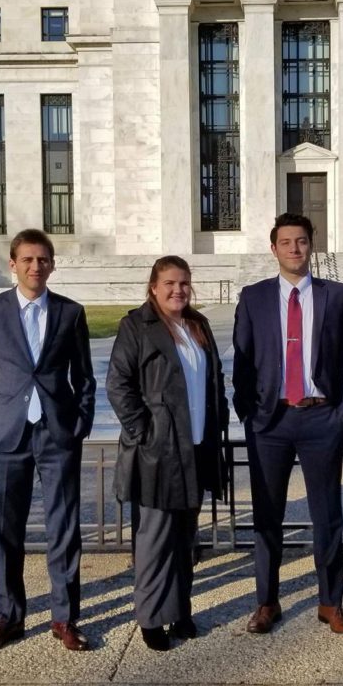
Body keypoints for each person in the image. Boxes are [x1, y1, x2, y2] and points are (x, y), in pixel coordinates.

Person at [232, 213, 343, 635]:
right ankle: (267, 601)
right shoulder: (253, 298)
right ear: (273, 249)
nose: (294, 248)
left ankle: (331, 602)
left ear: (312, 246)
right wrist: (248, 412)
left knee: (327, 515)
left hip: (321, 417)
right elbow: (243, 361)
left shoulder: (338, 295)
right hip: (270, 420)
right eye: (286, 242)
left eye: (302, 241)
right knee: (267, 515)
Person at [0, 228, 96, 652]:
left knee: (64, 529)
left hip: (57, 434)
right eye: (27, 259)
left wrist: (78, 424)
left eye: (42, 259)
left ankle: (65, 618)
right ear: (13, 264)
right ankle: (9, 617)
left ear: (52, 264)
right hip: (7, 434)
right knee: (7, 530)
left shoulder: (71, 312)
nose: (35, 266)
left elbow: (85, 377)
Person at [106, 256, 228, 651]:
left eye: (185, 284)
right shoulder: (137, 326)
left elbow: (213, 379)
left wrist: (219, 417)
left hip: (195, 447)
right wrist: (143, 431)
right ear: (154, 287)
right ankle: (151, 617)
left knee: (184, 539)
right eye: (170, 284)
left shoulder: (198, 325)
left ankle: (180, 611)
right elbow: (118, 384)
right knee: (156, 539)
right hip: (157, 450)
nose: (178, 290)